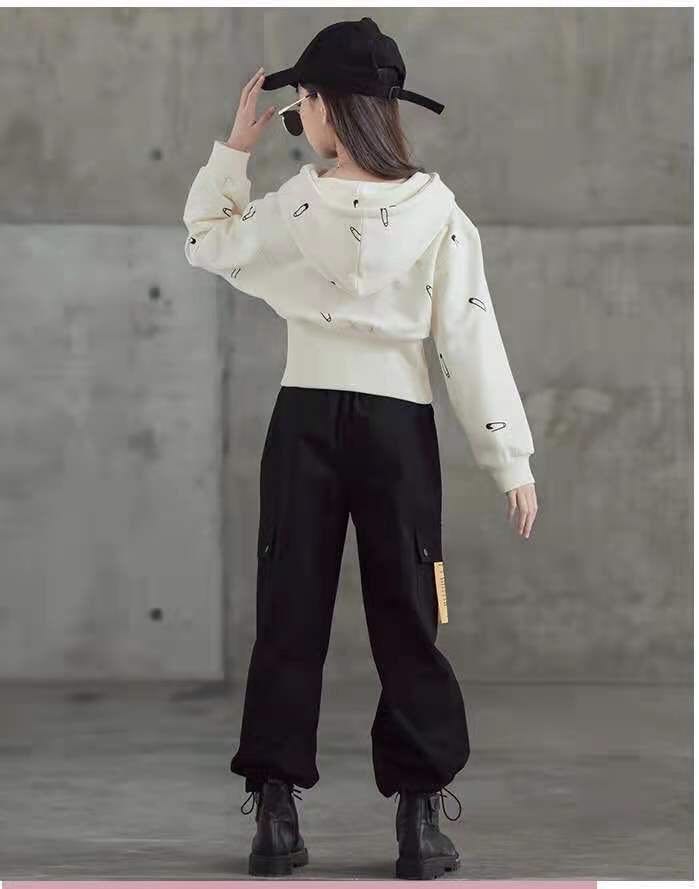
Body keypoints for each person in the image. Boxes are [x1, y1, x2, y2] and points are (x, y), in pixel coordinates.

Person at [182, 16, 539, 879]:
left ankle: (274, 813)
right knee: (409, 617)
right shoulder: (438, 213)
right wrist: (509, 459)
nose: (298, 117)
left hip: (303, 418)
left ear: (323, 105)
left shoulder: (293, 205)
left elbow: (205, 240)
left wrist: (234, 151)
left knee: (288, 613)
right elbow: (467, 338)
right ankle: (419, 818)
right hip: (396, 428)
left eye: (302, 102)